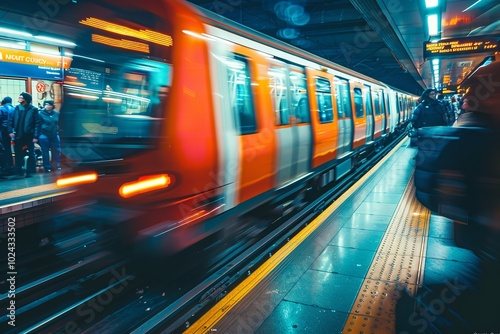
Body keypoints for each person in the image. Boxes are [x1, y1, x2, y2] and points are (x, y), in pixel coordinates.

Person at [9, 92, 40, 177]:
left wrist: (35, 136)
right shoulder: (17, 108)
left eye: (21, 97)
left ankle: (31, 171)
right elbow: (11, 121)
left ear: (25, 99)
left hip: (29, 135)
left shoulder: (33, 109)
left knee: (31, 153)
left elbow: (37, 123)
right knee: (18, 153)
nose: (19, 98)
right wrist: (11, 131)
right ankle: (18, 170)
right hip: (18, 134)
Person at [37, 100, 61, 172]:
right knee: (45, 151)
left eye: (49, 105)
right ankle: (46, 166)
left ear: (52, 106)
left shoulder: (56, 114)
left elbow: (59, 123)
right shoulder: (40, 114)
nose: (47, 106)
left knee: (56, 151)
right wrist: (37, 135)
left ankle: (55, 165)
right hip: (44, 135)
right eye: (46, 105)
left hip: (54, 134)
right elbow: (38, 125)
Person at [0, 96, 15, 174]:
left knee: (4, 149)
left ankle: (6, 166)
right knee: (12, 149)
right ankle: (12, 166)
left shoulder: (1, 109)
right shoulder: (15, 109)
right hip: (13, 131)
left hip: (3, 131)